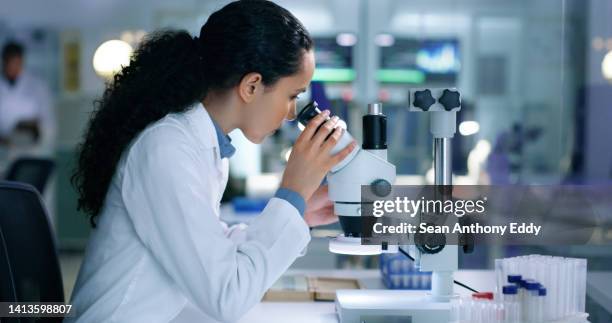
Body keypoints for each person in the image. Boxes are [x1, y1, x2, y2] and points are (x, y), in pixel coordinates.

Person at [68, 1, 356, 322]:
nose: (292, 113)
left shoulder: (201, 146)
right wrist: (291, 194)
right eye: (292, 95)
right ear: (251, 86)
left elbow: (213, 251)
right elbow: (226, 297)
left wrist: (299, 214)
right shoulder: (167, 149)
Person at [0, 40, 55, 151]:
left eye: (16, 63)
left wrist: (32, 127)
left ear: (21, 61)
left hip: (31, 149)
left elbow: (49, 122)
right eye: (9, 63)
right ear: (3, 62)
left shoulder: (38, 86)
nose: (12, 67)